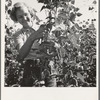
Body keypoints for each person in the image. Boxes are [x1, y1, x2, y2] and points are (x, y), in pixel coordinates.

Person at [10, 2, 57, 87]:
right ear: (16, 19)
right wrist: (32, 37)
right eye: (20, 17)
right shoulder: (18, 35)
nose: (24, 18)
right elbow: (21, 55)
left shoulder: (43, 27)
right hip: (30, 67)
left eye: (26, 14)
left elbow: (54, 46)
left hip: (47, 65)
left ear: (31, 14)